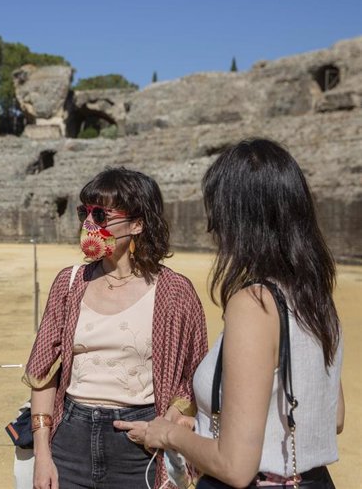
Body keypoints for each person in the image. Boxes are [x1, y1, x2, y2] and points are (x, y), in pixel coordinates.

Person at [140, 139, 345, 488]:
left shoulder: (255, 303)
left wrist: (167, 435)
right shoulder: (315, 297)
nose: (213, 229)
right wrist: (204, 427)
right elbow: (333, 417)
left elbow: (235, 466)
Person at [23, 167, 208, 489]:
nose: (88, 224)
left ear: (137, 224)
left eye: (100, 215)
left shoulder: (175, 292)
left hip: (139, 446)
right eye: (84, 212)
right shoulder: (69, 283)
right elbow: (43, 373)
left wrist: (161, 428)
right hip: (70, 440)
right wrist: (43, 455)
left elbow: (193, 376)